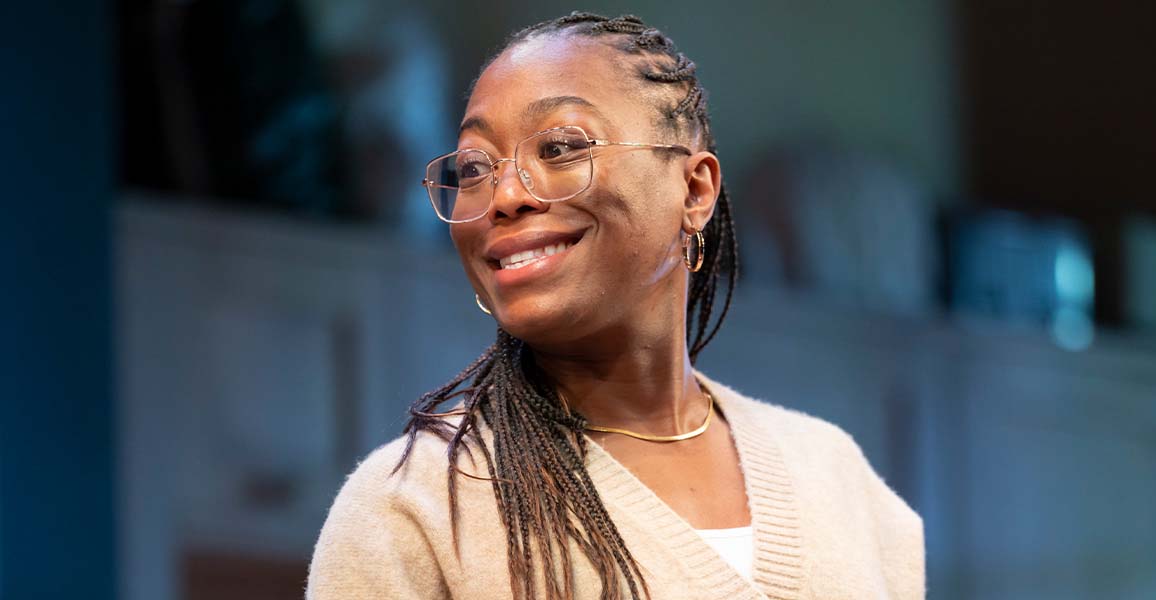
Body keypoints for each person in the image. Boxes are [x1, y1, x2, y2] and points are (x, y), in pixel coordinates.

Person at [306, 12, 924, 600]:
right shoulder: (413, 510)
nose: (504, 195)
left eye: (559, 148)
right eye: (473, 168)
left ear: (694, 188)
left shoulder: (842, 483)